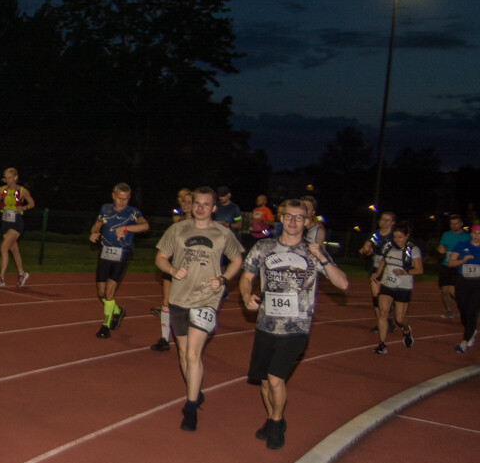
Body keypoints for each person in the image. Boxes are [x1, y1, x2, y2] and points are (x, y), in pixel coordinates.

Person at [239, 199, 349, 449]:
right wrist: (246, 295)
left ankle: (277, 424)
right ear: (280, 218)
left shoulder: (313, 251)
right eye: (288, 216)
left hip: (296, 328)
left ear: (308, 221)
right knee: (265, 381)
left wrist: (321, 255)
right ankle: (272, 417)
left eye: (299, 218)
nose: (293, 222)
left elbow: (343, 284)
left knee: (276, 379)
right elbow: (246, 278)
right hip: (266, 324)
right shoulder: (263, 246)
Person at [154, 186, 243, 432]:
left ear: (214, 207)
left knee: (193, 354)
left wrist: (223, 279)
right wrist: (172, 270)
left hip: (207, 299)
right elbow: (160, 257)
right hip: (179, 298)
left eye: (206, 204)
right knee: (183, 353)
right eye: (197, 203)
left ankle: (191, 407)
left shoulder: (222, 233)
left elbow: (237, 259)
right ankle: (195, 390)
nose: (201, 207)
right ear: (192, 206)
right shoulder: (177, 229)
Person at [89, 183, 148, 338]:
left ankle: (105, 326)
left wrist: (127, 228)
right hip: (104, 252)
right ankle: (117, 310)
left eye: (126, 199)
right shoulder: (105, 209)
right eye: (120, 198)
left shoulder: (133, 212)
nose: (122, 202)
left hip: (121, 253)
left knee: (109, 291)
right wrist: (94, 234)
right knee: (101, 292)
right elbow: (96, 226)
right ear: (113, 196)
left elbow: (145, 225)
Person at [151, 188, 194, 352]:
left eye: (189, 201)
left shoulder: (199, 225)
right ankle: (164, 338)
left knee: (187, 304)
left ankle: (190, 337)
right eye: (183, 201)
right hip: (172, 267)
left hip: (190, 271)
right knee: (166, 301)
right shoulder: (176, 224)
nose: (185, 204)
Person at [371, 222, 422, 354]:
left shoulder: (413, 250)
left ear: (407, 236)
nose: (397, 240)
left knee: (399, 319)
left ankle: (406, 330)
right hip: (387, 284)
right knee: (383, 313)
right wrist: (378, 272)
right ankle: (382, 344)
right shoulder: (388, 247)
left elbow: (419, 269)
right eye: (395, 237)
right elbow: (383, 260)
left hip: (403, 286)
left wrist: (405, 272)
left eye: (400, 237)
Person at [0, 167, 35, 287]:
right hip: (5, 222)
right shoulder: (0, 190)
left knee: (3, 247)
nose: (7, 180)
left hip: (16, 222)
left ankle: (1, 278)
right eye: (6, 178)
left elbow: (32, 203)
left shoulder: (22, 191)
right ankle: (22, 274)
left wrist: (24, 207)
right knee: (14, 250)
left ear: (15, 177)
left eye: (10, 178)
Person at [359, 210, 396, 333]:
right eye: (381, 219)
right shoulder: (375, 234)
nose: (383, 222)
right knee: (376, 297)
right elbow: (368, 248)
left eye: (387, 220)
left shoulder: (394, 236)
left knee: (387, 296)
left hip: (390, 269)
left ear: (392, 223)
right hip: (375, 268)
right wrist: (365, 250)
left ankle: (388, 317)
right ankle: (382, 322)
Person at [447, 222, 480, 354]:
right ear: (471, 234)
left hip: (478, 284)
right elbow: (450, 262)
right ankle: (471, 330)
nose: (477, 236)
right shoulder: (462, 245)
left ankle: (464, 342)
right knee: (463, 311)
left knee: (472, 311)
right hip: (463, 282)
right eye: (475, 233)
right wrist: (462, 261)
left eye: (479, 234)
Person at [437, 214, 468, 320]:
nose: (453, 226)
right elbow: (441, 245)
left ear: (461, 224)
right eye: (451, 224)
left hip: (459, 266)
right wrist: (440, 249)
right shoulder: (446, 235)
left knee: (453, 291)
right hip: (446, 265)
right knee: (445, 291)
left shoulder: (467, 236)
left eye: (456, 223)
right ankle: (449, 311)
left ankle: (464, 307)